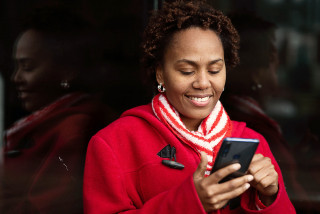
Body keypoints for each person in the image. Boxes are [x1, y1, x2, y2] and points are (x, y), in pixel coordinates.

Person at [83, 1, 295, 213]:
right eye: (186, 71)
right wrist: (190, 203)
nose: (203, 83)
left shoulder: (251, 142)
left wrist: (269, 197)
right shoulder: (113, 143)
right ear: (160, 73)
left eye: (214, 70)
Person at [0, 5, 116, 214]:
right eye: (15, 67)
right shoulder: (46, 124)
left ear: (67, 71)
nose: (15, 78)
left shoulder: (74, 129)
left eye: (27, 67)